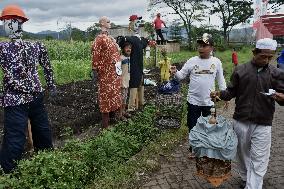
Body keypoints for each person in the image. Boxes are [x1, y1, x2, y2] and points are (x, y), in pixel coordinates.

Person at [210, 38, 284, 189]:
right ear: (254, 52)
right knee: (241, 154)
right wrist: (219, 93)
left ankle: (253, 186)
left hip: (263, 123)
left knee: (259, 160)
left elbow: (282, 96)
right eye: (263, 56)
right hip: (240, 121)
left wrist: (282, 98)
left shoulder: (276, 73)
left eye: (270, 57)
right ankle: (245, 177)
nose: (267, 60)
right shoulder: (240, 70)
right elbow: (231, 92)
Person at [0, 5, 56, 173]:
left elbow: (47, 67)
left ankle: (8, 172)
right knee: (41, 130)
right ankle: (46, 163)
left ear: (12, 24)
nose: (4, 26)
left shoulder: (2, 48)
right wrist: (51, 85)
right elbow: (48, 68)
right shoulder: (36, 46)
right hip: (34, 96)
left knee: (15, 137)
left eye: (5, 22)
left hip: (16, 98)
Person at [170, 33, 227, 134]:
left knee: (210, 128)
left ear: (211, 48)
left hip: (209, 102)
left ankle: (207, 147)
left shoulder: (216, 62)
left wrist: (225, 96)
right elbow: (181, 76)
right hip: (193, 101)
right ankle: (193, 148)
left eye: (204, 46)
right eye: (199, 46)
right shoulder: (192, 61)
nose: (201, 48)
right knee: (193, 128)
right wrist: (175, 72)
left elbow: (220, 80)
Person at [92, 16, 122, 128]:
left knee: (114, 94)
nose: (110, 23)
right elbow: (96, 55)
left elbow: (116, 51)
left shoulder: (110, 38)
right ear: (102, 23)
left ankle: (114, 119)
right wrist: (95, 70)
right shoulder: (99, 39)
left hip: (114, 73)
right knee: (106, 96)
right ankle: (105, 125)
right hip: (106, 73)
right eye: (108, 22)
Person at [117, 15, 149, 111]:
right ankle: (131, 107)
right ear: (131, 24)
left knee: (141, 86)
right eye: (135, 22)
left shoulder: (141, 40)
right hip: (133, 68)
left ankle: (141, 104)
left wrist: (148, 53)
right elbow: (120, 42)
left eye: (139, 22)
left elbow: (147, 44)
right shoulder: (130, 39)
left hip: (140, 67)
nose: (138, 24)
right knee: (134, 87)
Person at [120, 42, 132, 118]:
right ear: (123, 49)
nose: (128, 49)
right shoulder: (120, 58)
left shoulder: (129, 58)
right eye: (127, 48)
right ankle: (120, 114)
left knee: (125, 98)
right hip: (122, 81)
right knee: (121, 98)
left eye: (130, 48)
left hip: (127, 81)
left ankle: (123, 112)